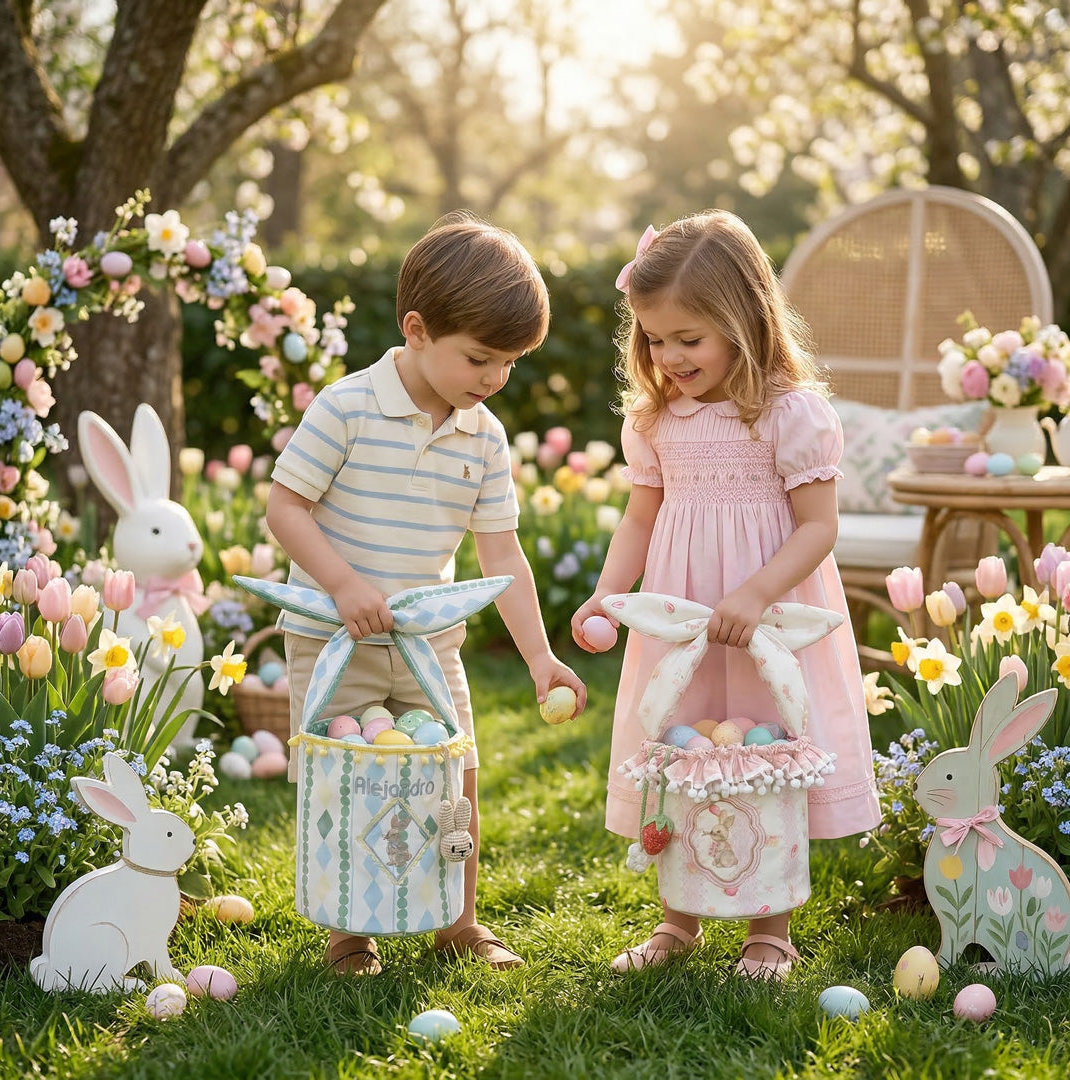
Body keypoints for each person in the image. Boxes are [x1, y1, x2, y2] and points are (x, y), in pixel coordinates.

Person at [266, 213, 586, 976]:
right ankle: (349, 932)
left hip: (427, 645)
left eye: (510, 363)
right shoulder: (346, 407)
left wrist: (540, 657)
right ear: (416, 329)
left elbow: (500, 549)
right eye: (480, 358)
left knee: (455, 775)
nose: (494, 379)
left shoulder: (484, 437)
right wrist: (343, 584)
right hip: (336, 640)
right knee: (348, 776)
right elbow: (285, 507)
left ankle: (458, 920)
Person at [571, 211, 880, 979]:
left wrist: (754, 593)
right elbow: (641, 516)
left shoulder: (790, 414)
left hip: (766, 613)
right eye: (653, 338)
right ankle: (679, 919)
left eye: (688, 339)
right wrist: (607, 596)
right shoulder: (656, 420)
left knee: (763, 746)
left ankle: (767, 927)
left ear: (743, 322)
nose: (668, 356)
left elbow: (817, 528)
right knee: (682, 743)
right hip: (682, 616)